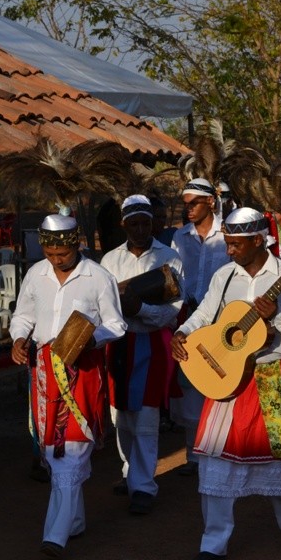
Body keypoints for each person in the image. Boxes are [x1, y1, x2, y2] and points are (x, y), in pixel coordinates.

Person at [171, 207, 281, 560]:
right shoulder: (224, 276)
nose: (229, 250)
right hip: (226, 381)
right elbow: (204, 314)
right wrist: (183, 332)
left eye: (236, 244)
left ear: (258, 241)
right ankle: (214, 543)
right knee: (214, 462)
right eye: (227, 242)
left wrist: (278, 316)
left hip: (271, 378)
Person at [9, 213, 127, 557]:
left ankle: (55, 535)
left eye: (62, 254)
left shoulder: (98, 277)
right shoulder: (36, 274)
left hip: (83, 370)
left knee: (72, 448)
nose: (56, 260)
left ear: (76, 245)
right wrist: (19, 339)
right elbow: (23, 316)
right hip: (44, 370)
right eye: (49, 254)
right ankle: (74, 521)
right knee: (51, 448)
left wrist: (93, 339)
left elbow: (117, 324)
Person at [100, 195, 184, 515]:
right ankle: (130, 472)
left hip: (151, 344)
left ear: (153, 223)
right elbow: (102, 306)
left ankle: (144, 486)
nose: (139, 230)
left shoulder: (169, 258)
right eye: (133, 223)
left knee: (147, 417)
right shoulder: (110, 261)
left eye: (145, 223)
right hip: (119, 344)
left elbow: (172, 310)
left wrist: (140, 309)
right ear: (123, 224)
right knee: (120, 416)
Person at [170, 178, 231, 475]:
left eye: (194, 202)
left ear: (210, 202)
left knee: (220, 385)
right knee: (191, 387)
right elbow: (174, 276)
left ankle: (221, 453)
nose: (189, 209)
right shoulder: (180, 237)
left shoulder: (228, 234)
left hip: (222, 321)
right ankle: (194, 456)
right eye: (186, 204)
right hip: (189, 319)